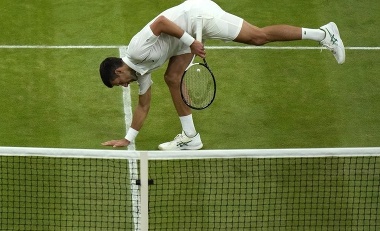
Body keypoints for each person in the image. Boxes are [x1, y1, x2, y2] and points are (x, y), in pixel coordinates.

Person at [99, 0, 345, 150]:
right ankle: (190, 137)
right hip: (183, 37)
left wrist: (191, 42)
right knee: (172, 78)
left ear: (119, 70)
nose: (123, 86)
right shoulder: (140, 73)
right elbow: (143, 105)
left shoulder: (135, 49)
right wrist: (128, 138)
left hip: (198, 17)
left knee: (257, 37)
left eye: (118, 82)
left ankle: (324, 34)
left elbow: (162, 22)